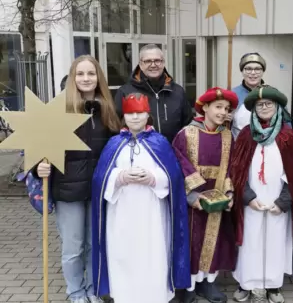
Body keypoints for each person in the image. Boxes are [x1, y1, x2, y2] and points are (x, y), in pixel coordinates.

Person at [34, 55, 121, 303]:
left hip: (97, 189)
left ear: (98, 78)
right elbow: (38, 147)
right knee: (73, 248)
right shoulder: (58, 109)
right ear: (73, 78)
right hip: (68, 191)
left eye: (91, 74)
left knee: (95, 245)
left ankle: (93, 289)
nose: (86, 78)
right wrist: (37, 167)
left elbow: (117, 147)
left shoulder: (107, 109)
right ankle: (75, 292)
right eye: (80, 74)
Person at [91, 93, 191, 303]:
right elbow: (101, 178)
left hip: (151, 212)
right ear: (124, 116)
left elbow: (173, 176)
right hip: (121, 212)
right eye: (130, 113)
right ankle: (125, 296)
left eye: (140, 113)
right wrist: (119, 177)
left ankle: (154, 296)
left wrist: (154, 178)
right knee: (123, 254)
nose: (135, 117)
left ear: (148, 115)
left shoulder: (160, 142)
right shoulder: (113, 144)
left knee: (152, 254)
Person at [230, 85, 293, 303]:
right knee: (250, 241)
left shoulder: (288, 137)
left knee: (275, 241)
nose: (264, 107)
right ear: (253, 109)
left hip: (277, 200)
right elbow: (236, 169)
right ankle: (247, 283)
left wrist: (283, 201)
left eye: (268, 104)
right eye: (259, 104)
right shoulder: (245, 135)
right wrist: (248, 197)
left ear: (277, 107)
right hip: (251, 201)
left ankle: (272, 285)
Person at [172, 87, 239, 303]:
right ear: (205, 107)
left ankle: (208, 283)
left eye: (226, 108)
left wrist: (228, 192)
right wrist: (193, 196)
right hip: (193, 200)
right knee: (192, 241)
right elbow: (178, 164)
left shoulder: (228, 136)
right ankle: (189, 286)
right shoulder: (186, 133)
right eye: (218, 107)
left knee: (215, 240)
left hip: (217, 200)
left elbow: (231, 167)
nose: (222, 112)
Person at [114, 44, 193, 143]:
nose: (153, 65)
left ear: (163, 62)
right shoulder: (125, 92)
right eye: (147, 61)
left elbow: (188, 126)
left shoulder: (178, 92)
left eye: (157, 60)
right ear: (140, 64)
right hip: (140, 154)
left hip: (172, 155)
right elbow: (116, 127)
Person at [231, 53, 267, 139]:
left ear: (263, 71)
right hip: (238, 147)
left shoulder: (271, 94)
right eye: (248, 69)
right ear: (242, 71)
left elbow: (285, 125)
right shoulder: (232, 94)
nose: (253, 73)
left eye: (257, 69)